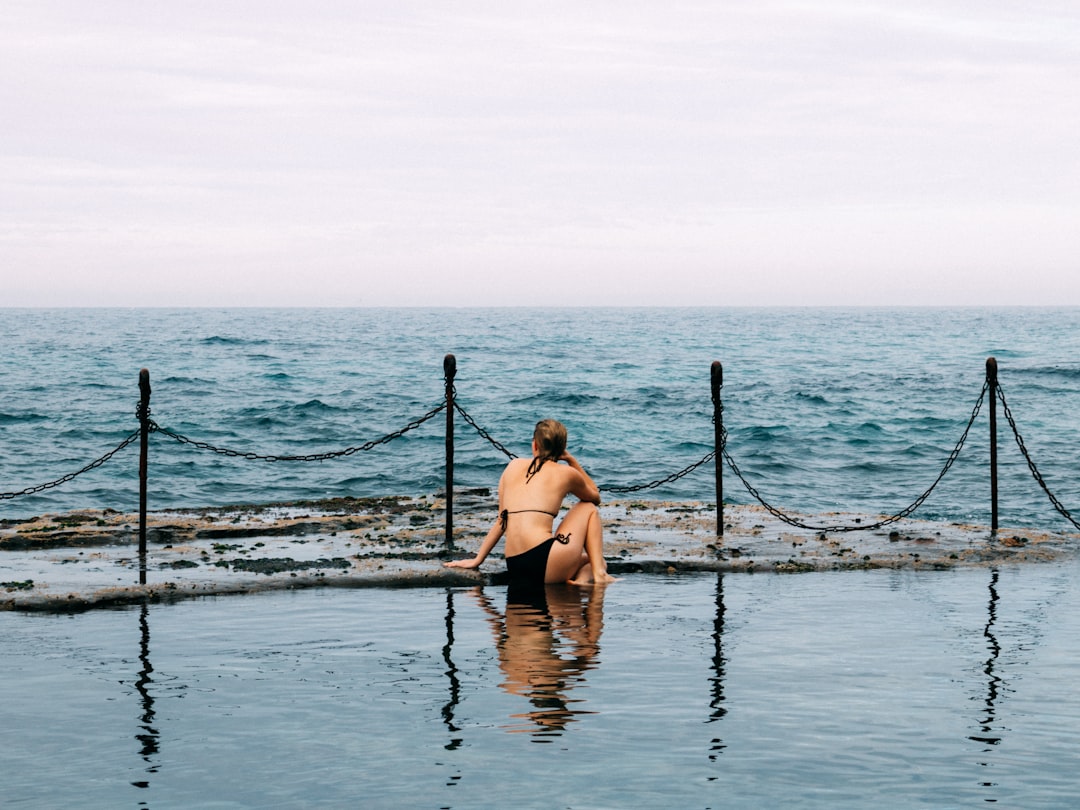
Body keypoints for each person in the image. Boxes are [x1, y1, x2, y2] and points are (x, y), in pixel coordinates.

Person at [444, 419, 617, 585]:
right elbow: (595, 497)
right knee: (588, 510)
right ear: (562, 448)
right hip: (546, 562)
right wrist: (571, 461)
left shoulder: (512, 466)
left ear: (535, 444)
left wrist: (477, 560)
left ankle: (581, 582)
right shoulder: (566, 473)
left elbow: (501, 522)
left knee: (596, 561)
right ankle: (599, 575)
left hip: (516, 567)